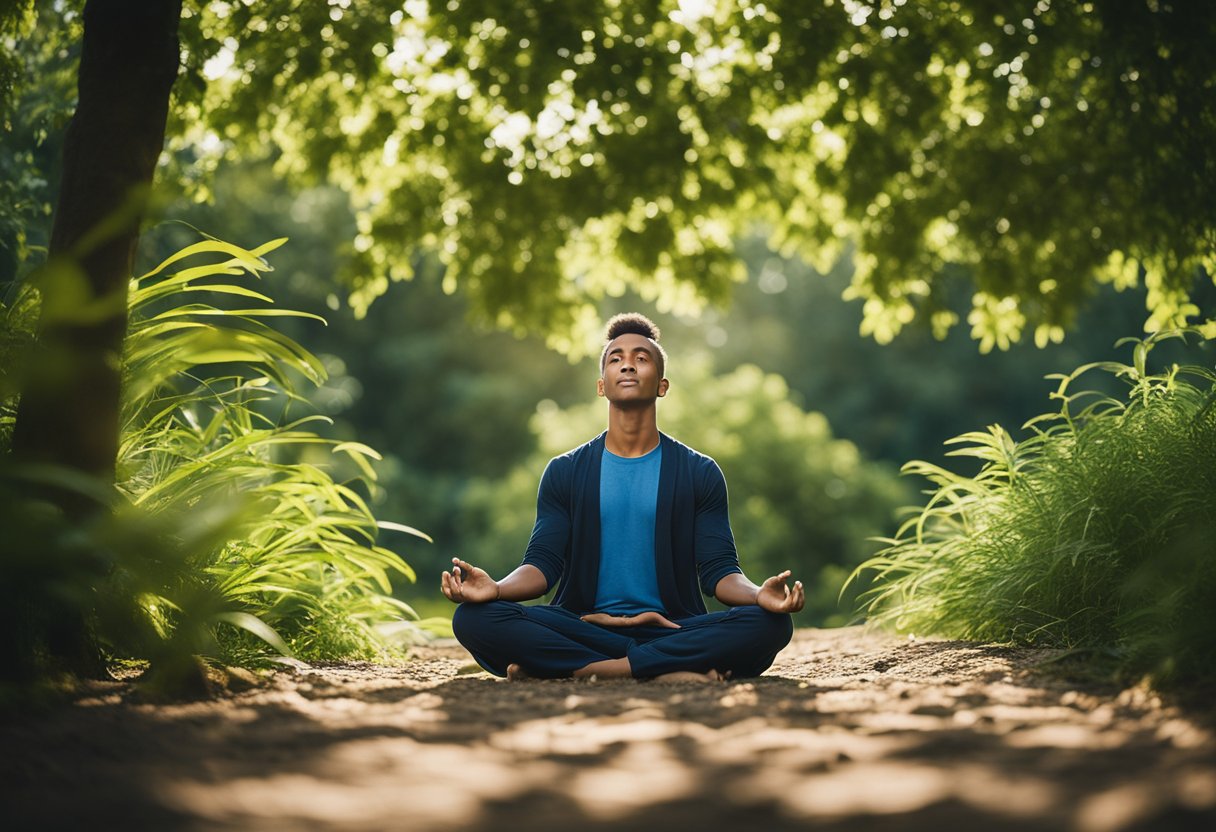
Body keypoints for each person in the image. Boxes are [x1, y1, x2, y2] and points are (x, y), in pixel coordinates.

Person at [441, 313, 804, 682]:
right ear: (602, 386)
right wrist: (497, 588)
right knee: (474, 618)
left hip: (672, 627)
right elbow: (541, 567)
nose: (628, 364)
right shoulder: (565, 471)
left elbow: (720, 574)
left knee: (770, 625)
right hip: (583, 626)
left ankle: (587, 668)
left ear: (662, 386)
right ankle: (666, 668)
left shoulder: (699, 472)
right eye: (616, 358)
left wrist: (760, 595)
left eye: (641, 358)